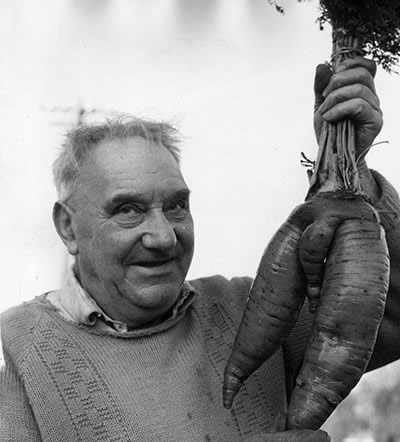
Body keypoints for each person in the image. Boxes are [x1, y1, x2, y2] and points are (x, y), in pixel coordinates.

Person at [1, 57, 400, 442]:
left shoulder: (249, 310)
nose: (163, 236)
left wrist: (355, 170)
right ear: (68, 227)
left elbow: (393, 313)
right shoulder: (15, 351)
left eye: (175, 206)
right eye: (128, 210)